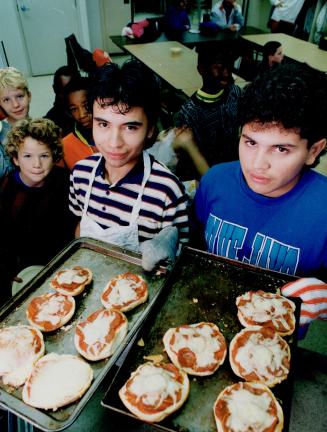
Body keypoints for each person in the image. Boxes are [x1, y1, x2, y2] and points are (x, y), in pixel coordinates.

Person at [192, 62, 327, 279]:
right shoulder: (214, 181)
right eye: (251, 143)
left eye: (281, 149)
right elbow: (197, 248)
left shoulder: (323, 213)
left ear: (314, 150)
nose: (257, 164)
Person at [69, 60, 189, 271]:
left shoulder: (167, 191)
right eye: (103, 124)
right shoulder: (80, 174)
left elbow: (180, 261)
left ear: (150, 129)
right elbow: (78, 229)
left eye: (130, 127)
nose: (114, 143)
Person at [0, 118, 77, 304]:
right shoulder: (5, 190)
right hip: (19, 274)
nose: (37, 164)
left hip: (61, 268)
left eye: (44, 156)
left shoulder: (66, 182)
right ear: (16, 159)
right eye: (27, 156)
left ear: (55, 156)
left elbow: (73, 230)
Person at [175, 48, 242, 180]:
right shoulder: (189, 112)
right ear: (201, 69)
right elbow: (192, 160)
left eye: (229, 67)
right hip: (207, 176)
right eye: (219, 67)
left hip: (234, 169)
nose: (227, 73)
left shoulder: (235, 93)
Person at [0, 67, 31, 179]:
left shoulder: (40, 127)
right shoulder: (1, 133)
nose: (15, 105)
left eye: (20, 96)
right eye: (6, 100)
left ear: (29, 96)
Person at [61, 76, 96, 170]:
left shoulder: (115, 136)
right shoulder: (65, 146)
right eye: (74, 109)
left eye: (86, 105)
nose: (81, 115)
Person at [45, 65, 80, 137]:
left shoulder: (90, 111)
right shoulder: (50, 122)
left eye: (72, 89)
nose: (68, 95)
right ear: (55, 89)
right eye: (64, 91)